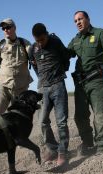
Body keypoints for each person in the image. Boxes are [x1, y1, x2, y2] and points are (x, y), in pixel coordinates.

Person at [68, 11, 103, 155]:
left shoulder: (100, 34)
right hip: (81, 83)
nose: (77, 22)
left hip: (98, 81)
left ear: (88, 19)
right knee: (80, 116)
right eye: (75, 21)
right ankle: (88, 142)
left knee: (100, 115)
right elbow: (64, 54)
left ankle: (101, 146)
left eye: (80, 19)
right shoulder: (76, 39)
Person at [30, 23, 70, 166]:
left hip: (58, 85)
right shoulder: (32, 48)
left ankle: (63, 152)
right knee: (42, 121)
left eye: (42, 39)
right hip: (42, 88)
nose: (40, 43)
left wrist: (59, 71)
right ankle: (52, 149)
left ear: (46, 34)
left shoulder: (56, 41)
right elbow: (34, 65)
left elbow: (66, 58)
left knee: (61, 121)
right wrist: (42, 77)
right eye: (37, 40)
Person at [0, 18, 33, 117]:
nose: (5, 30)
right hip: (3, 86)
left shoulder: (25, 44)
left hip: (21, 87)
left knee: (20, 117)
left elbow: (35, 60)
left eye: (8, 27)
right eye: (3, 28)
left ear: (14, 28)